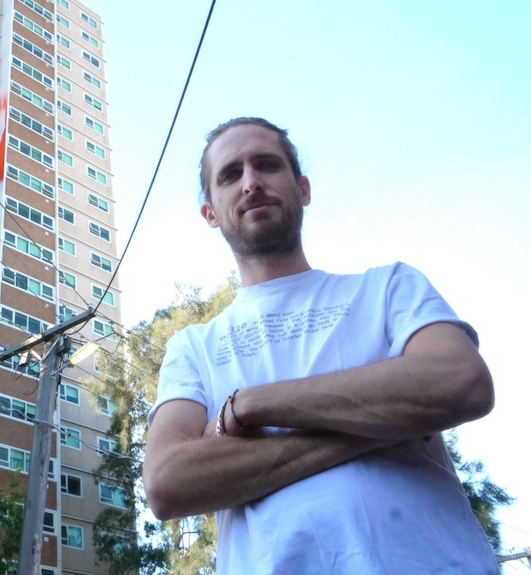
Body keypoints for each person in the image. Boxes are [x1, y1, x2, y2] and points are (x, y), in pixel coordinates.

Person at [143, 117, 498, 574]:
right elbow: (168, 484)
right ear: (210, 212)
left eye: (266, 165)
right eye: (231, 175)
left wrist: (253, 404)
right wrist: (387, 419)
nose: (251, 182)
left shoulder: (388, 288)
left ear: (303, 188)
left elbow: (461, 382)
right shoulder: (193, 346)